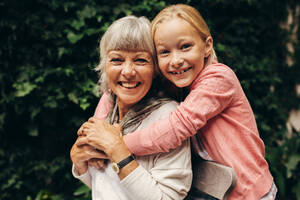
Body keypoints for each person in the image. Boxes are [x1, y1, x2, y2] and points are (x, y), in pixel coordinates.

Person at [93, 4, 278, 200]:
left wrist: (114, 145)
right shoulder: (179, 81)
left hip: (249, 192)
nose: (176, 60)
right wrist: (97, 128)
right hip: (210, 191)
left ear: (207, 45)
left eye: (185, 47)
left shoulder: (219, 78)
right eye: (164, 52)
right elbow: (115, 91)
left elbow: (174, 129)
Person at [70, 15, 192, 200]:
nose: (128, 71)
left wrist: (116, 149)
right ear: (105, 66)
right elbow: (107, 186)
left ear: (156, 69)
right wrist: (79, 162)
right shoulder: (109, 111)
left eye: (140, 60)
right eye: (117, 60)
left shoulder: (168, 118)